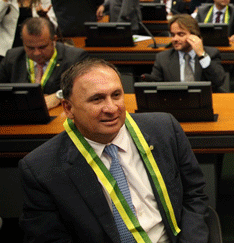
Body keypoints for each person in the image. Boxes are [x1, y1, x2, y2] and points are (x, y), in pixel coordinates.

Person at [19, 58, 211, 242]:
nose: (111, 108)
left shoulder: (164, 129)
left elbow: (194, 195)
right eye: (97, 99)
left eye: (116, 95)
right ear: (68, 108)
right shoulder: (41, 169)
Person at [0, 17, 87, 109]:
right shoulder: (12, 57)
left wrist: (59, 95)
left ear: (54, 40)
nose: (36, 53)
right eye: (30, 48)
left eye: (42, 47)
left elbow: (84, 89)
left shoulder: (75, 58)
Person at [143, 14, 228, 92]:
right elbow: (154, 87)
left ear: (194, 35)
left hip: (203, 101)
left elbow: (219, 81)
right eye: (173, 35)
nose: (175, 39)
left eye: (181, 34)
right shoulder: (163, 58)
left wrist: (202, 55)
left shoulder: (211, 53)